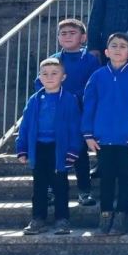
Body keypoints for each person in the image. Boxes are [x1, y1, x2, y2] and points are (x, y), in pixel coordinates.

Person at [82, 33, 128, 236]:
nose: (118, 49)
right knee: (106, 178)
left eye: (123, 46)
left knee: (126, 177)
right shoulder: (97, 76)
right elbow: (89, 106)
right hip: (103, 138)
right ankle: (106, 213)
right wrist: (88, 134)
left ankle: (122, 216)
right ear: (106, 52)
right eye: (114, 46)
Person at [17, 57, 82, 235]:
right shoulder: (34, 100)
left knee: (60, 185)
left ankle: (62, 219)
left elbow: (75, 127)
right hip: (38, 148)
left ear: (63, 77)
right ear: (39, 77)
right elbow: (25, 126)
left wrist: (73, 150)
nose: (49, 77)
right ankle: (38, 219)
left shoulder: (69, 99)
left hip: (58, 149)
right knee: (39, 185)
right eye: (45, 74)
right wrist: (22, 148)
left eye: (54, 73)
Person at [41, 19, 100, 208]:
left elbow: (94, 84)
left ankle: (84, 191)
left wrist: (75, 98)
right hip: (56, 115)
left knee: (80, 153)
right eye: (63, 33)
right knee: (54, 154)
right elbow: (40, 83)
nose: (67, 36)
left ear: (83, 37)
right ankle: (52, 190)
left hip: (80, 114)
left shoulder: (90, 60)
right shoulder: (53, 60)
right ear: (58, 37)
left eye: (72, 33)